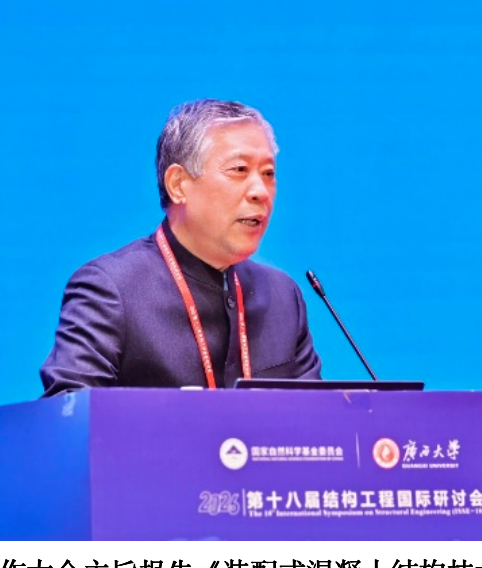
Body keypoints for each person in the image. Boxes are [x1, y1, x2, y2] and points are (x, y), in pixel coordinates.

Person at [39, 99, 322, 395]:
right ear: (178, 184)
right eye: (239, 169)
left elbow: (318, 417)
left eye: (268, 174)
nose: (260, 191)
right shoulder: (111, 290)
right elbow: (70, 411)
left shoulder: (283, 297)